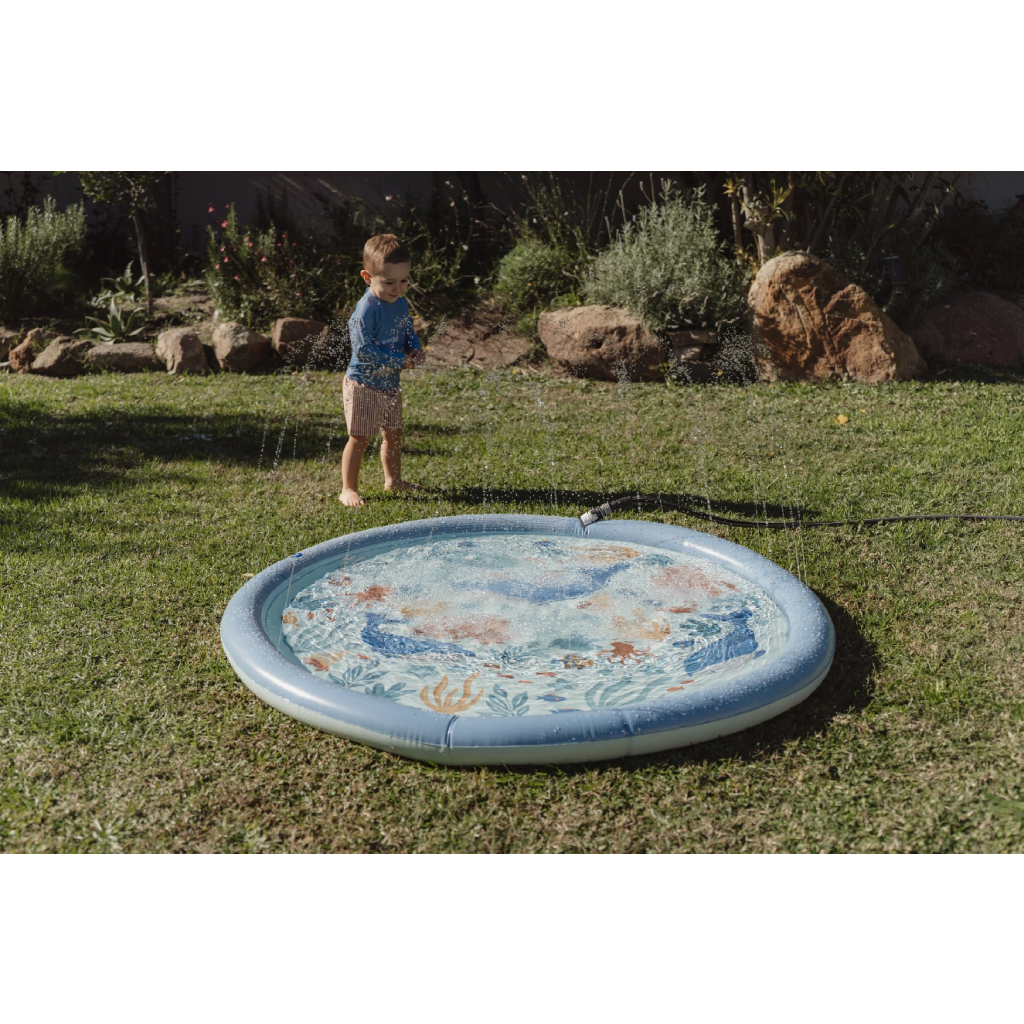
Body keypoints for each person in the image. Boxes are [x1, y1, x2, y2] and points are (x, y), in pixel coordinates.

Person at [340, 234, 426, 507]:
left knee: (393, 434)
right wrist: (398, 360)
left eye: (404, 280)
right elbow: (362, 351)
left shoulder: (400, 303)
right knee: (360, 437)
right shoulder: (366, 310)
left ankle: (393, 480)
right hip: (363, 383)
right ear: (367, 277)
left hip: (389, 384)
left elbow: (408, 331)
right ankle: (348, 489)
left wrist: (415, 348)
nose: (397, 288)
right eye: (389, 282)